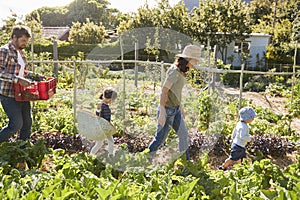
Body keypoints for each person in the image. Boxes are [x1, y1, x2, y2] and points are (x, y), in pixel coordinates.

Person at [148, 44, 202, 161]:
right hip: (167, 110)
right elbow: (164, 90)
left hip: (175, 109)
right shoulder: (174, 71)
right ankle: (145, 160)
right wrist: (162, 111)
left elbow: (175, 91)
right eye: (195, 60)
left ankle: (186, 164)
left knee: (184, 136)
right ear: (188, 59)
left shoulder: (182, 71)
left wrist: (180, 107)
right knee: (160, 140)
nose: (196, 63)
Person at [0, 25, 33, 143]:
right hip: (8, 95)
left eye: (26, 41)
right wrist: (18, 80)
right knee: (16, 124)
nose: (25, 43)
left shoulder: (20, 53)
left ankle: (22, 151)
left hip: (22, 94)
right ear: (14, 37)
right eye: (23, 40)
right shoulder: (4, 50)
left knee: (27, 124)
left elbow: (22, 71)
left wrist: (36, 76)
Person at [90, 88, 118, 155]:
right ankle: (91, 155)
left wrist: (111, 125)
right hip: (101, 128)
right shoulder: (101, 105)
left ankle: (110, 155)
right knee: (99, 143)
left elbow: (106, 118)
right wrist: (98, 109)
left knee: (111, 142)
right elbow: (97, 115)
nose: (112, 101)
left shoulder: (106, 105)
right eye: (112, 100)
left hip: (106, 128)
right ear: (109, 99)